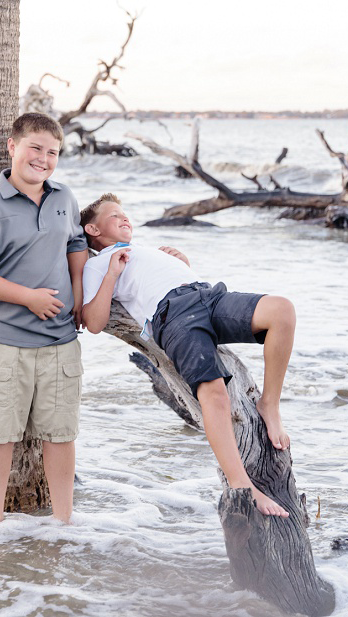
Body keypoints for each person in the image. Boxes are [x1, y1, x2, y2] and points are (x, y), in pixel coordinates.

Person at [79, 194, 295, 517]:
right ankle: (242, 484)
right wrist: (111, 273)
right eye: (114, 216)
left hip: (207, 294)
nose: (125, 219)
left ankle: (269, 404)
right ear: (93, 229)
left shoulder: (142, 249)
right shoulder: (97, 264)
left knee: (282, 311)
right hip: (173, 315)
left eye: (126, 214)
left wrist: (182, 264)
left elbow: (158, 276)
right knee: (214, 392)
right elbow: (92, 322)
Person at [0, 113, 88, 530]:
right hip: (3, 341)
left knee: (61, 434)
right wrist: (28, 298)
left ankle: (65, 524)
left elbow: (77, 243)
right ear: (12, 147)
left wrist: (79, 298)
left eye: (53, 152)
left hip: (59, 342)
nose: (44, 159)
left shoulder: (64, 197)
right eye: (36, 147)